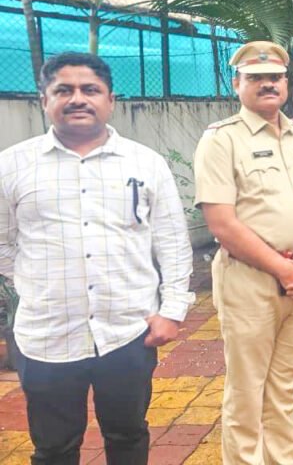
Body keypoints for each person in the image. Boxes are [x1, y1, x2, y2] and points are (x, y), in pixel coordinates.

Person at [0, 52, 194, 464]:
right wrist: (41, 286)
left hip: (128, 331)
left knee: (127, 435)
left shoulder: (146, 163)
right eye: (63, 90)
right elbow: (3, 243)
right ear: (44, 100)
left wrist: (172, 311)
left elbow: (172, 242)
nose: (77, 99)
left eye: (90, 89)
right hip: (47, 335)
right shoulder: (12, 165)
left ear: (110, 100)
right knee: (53, 448)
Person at [194, 41, 293, 465]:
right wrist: (285, 270)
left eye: (274, 77)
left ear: (286, 83)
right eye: (255, 78)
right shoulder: (222, 140)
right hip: (251, 281)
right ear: (237, 84)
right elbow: (222, 224)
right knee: (247, 392)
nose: (267, 84)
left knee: (286, 388)